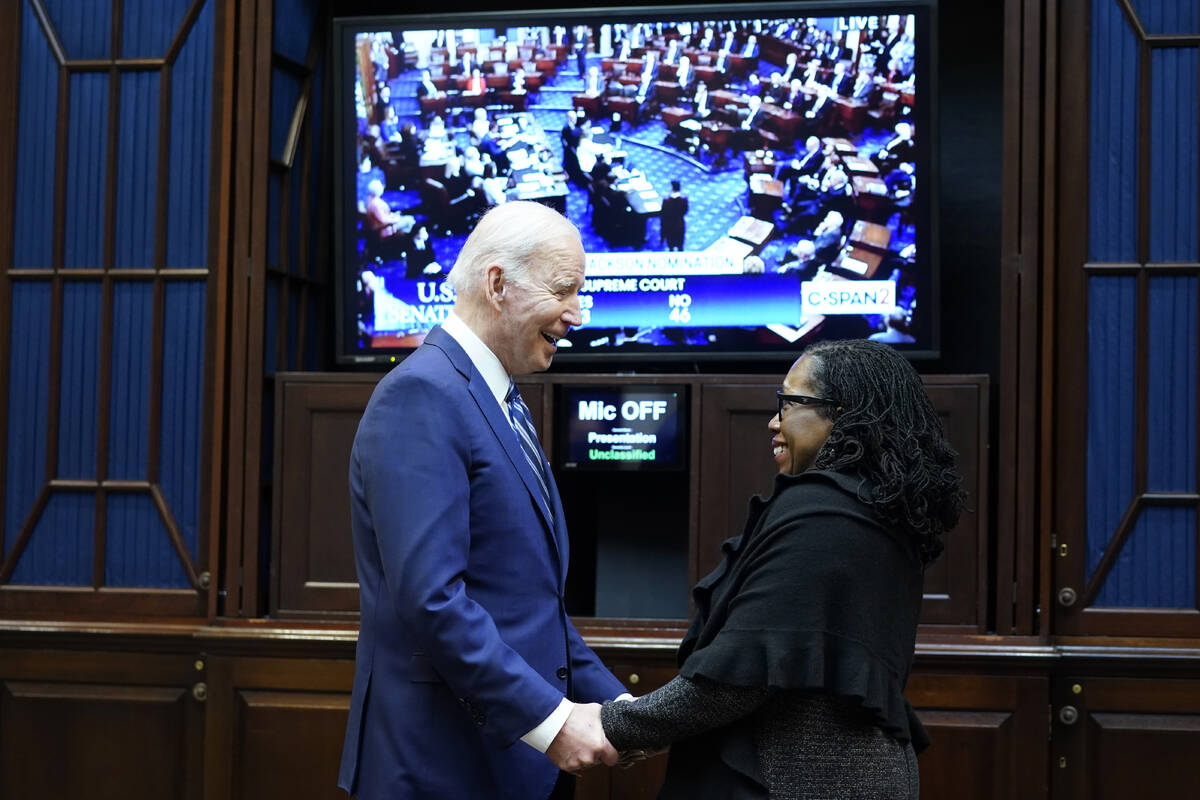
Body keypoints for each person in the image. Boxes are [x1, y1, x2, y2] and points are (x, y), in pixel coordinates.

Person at [339, 202, 629, 800]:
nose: (577, 313)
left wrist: (619, 707)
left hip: (507, 768)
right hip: (443, 769)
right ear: (498, 284)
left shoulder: (497, 398)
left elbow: (524, 600)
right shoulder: (422, 394)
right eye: (565, 290)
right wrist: (551, 723)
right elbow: (434, 601)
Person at [600, 339, 965, 799]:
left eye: (789, 403)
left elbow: (737, 680)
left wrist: (609, 726)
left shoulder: (823, 513)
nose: (774, 422)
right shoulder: (874, 512)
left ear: (844, 414)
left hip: (802, 781)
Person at [661, 180, 688, 251]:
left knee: (671, 245)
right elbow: (685, 211)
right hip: (679, 224)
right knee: (680, 245)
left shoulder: (666, 201)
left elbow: (663, 214)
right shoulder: (684, 200)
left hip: (669, 225)